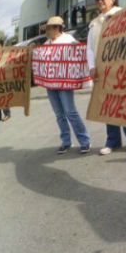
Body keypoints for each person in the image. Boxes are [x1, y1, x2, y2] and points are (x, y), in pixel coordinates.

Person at [87, 0, 126, 155]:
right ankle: (113, 141)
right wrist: (91, 66)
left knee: (125, 102)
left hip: (121, 66)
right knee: (109, 104)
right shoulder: (94, 23)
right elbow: (89, 48)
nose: (100, 1)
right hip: (103, 69)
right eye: (98, 0)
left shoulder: (124, 14)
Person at [44, 16, 91, 155]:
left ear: (57, 28)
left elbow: (79, 54)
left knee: (70, 112)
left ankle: (84, 141)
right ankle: (66, 141)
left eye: (49, 28)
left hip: (64, 82)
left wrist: (77, 48)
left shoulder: (68, 40)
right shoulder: (47, 44)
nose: (47, 30)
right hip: (50, 83)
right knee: (59, 114)